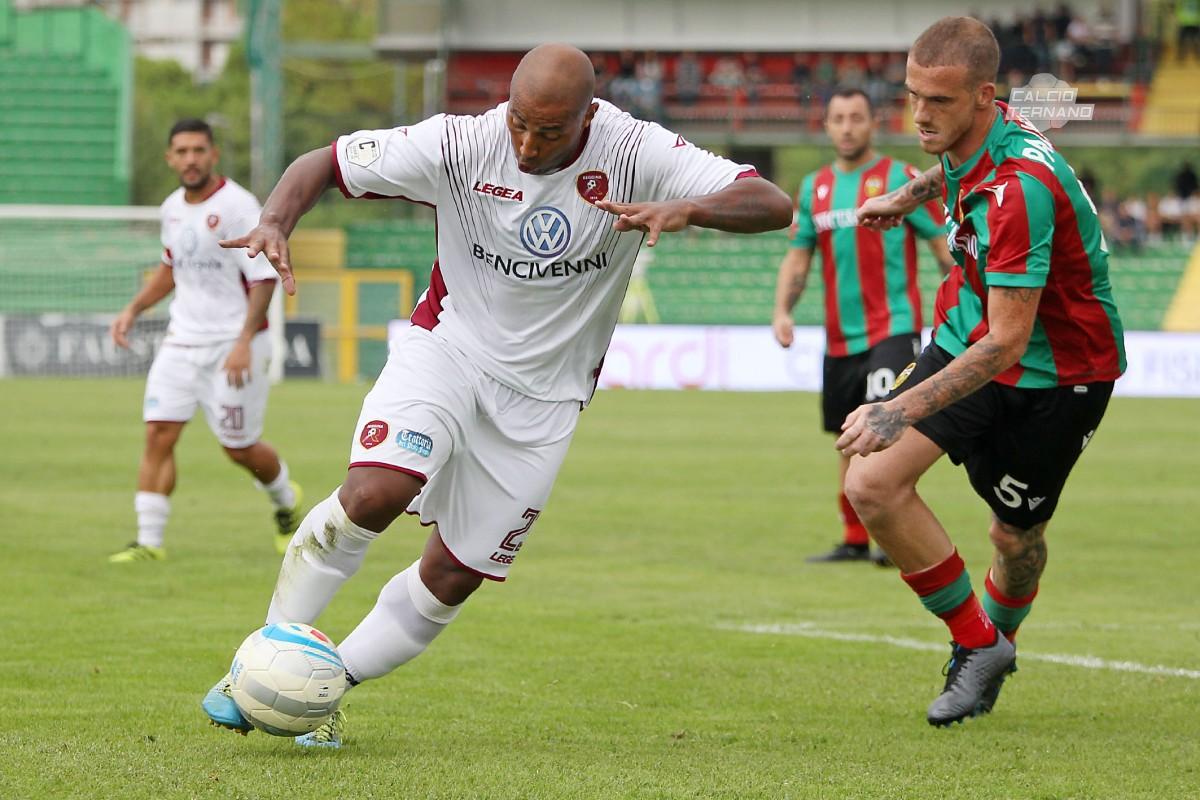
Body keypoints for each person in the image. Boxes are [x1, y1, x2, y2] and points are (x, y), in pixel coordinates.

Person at [199, 44, 792, 748]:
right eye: (519, 123)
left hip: (545, 401)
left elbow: (772, 203)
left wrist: (690, 207)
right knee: (373, 494)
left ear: (588, 118)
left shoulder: (636, 148)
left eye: (550, 132)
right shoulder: (460, 141)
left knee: (452, 576)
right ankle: (258, 664)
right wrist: (275, 219)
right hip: (448, 350)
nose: (527, 145)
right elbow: (322, 164)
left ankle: (320, 687)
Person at [846, 16, 1125, 727]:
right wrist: (901, 199)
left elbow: (1008, 343)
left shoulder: (1020, 188)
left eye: (938, 101)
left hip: (1059, 379)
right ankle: (978, 647)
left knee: (1015, 541)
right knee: (872, 482)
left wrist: (899, 409)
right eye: (912, 95)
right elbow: (951, 169)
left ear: (984, 96)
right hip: (967, 333)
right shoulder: (980, 136)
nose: (919, 114)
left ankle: (996, 643)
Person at [107, 119, 304, 563]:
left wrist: (241, 342)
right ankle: (149, 543)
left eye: (199, 150)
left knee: (238, 447)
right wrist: (134, 309)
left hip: (236, 345)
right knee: (159, 432)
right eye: (182, 151)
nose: (190, 159)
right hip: (182, 341)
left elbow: (262, 278)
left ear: (213, 154)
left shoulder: (239, 206)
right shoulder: (172, 208)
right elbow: (170, 268)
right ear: (170, 158)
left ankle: (284, 499)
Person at [772, 87, 953, 566]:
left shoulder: (902, 178)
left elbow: (941, 247)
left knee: (881, 426)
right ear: (827, 125)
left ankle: (893, 534)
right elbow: (797, 258)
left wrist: (963, 304)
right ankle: (855, 539)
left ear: (874, 123)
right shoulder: (814, 187)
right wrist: (783, 310)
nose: (847, 127)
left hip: (892, 328)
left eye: (856, 117)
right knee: (846, 437)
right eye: (838, 118)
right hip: (839, 337)